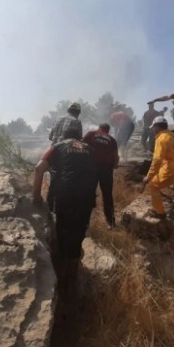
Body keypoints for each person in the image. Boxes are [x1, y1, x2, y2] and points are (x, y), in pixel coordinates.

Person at [33, 127, 97, 298]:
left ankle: (60, 277)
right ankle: (72, 281)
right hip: (86, 196)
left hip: (65, 194)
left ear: (64, 136)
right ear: (80, 137)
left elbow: (39, 168)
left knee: (62, 231)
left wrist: (36, 196)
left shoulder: (58, 146)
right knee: (77, 234)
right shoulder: (90, 149)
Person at [141, 116, 174, 251]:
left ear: (158, 127)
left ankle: (160, 212)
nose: (154, 131)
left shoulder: (161, 138)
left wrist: (147, 177)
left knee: (154, 184)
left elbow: (157, 160)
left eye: (154, 128)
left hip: (172, 170)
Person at [46, 102, 83, 210]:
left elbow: (50, 137)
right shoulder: (76, 121)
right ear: (78, 112)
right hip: (66, 154)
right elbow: (78, 140)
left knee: (53, 181)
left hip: (53, 152)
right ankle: (62, 210)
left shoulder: (58, 119)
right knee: (66, 181)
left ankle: (49, 209)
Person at [83, 123, 119, 228]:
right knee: (107, 195)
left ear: (99, 128)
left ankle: (85, 221)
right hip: (106, 170)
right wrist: (115, 166)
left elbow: (82, 147)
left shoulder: (91, 134)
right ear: (108, 131)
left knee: (89, 193)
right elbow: (116, 157)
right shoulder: (112, 139)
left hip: (91, 168)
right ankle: (111, 222)